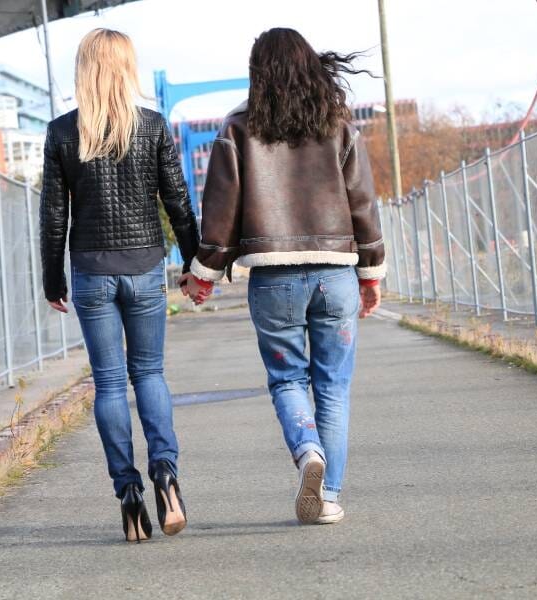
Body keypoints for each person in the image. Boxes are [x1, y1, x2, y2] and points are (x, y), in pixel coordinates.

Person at [181, 28, 385, 525]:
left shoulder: (237, 127)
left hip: (273, 280)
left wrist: (204, 272)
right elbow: (362, 202)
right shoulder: (336, 124)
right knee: (333, 387)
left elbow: (221, 209)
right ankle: (329, 495)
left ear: (258, 72)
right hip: (335, 274)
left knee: (288, 378)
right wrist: (371, 272)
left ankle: (306, 450)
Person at [40, 28, 198, 542]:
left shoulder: (63, 132)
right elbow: (178, 200)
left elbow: (53, 217)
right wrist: (197, 263)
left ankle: (128, 494)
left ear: (83, 69)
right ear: (127, 68)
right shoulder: (152, 127)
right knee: (149, 374)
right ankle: (166, 476)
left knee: (109, 384)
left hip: (90, 271)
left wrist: (51, 277)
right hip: (145, 266)